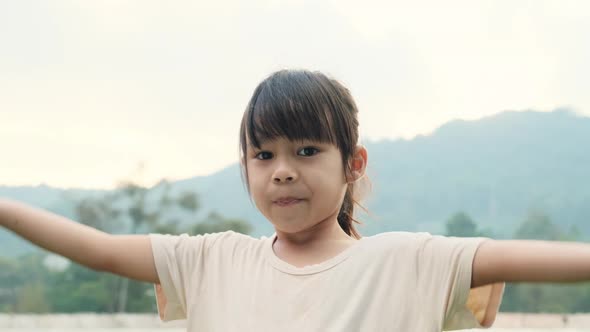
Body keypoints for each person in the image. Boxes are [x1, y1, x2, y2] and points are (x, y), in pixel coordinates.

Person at [1, 69, 589, 331]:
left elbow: (530, 258)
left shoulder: (409, 260)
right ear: (246, 168)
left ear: (352, 164)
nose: (282, 172)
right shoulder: (212, 260)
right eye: (264, 156)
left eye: (307, 151)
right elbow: (97, 249)